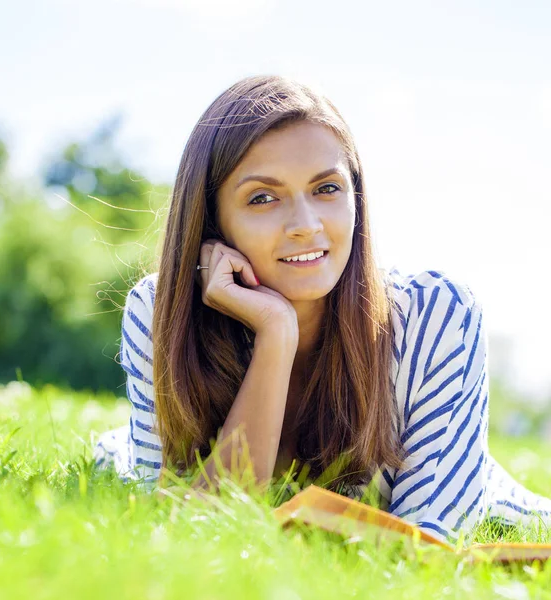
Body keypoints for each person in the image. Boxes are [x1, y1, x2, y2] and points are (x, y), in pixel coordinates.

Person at [94, 74, 551, 545]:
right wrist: (276, 336)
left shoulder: (436, 316)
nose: (306, 225)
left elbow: (424, 545)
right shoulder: (160, 312)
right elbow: (184, 532)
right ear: (211, 220)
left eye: (327, 189)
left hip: (487, 500)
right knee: (120, 457)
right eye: (263, 198)